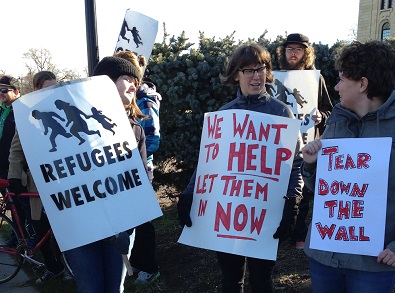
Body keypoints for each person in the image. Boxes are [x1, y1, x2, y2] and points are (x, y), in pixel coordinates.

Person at [177, 42, 303, 293]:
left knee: (261, 281)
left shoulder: (282, 113)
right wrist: (189, 194)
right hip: (228, 216)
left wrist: (294, 200)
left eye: (261, 69)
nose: (257, 76)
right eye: (249, 70)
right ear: (236, 75)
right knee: (231, 281)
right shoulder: (224, 115)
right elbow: (208, 162)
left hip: (264, 216)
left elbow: (295, 163)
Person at [301, 40, 395, 292]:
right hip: (324, 257)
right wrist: (310, 166)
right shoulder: (336, 122)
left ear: (363, 84)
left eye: (342, 79)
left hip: (372, 265)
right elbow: (325, 189)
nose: (336, 86)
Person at [64, 56, 148, 293]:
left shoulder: (135, 129)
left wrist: (128, 228)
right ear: (107, 82)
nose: (134, 85)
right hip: (81, 228)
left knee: (114, 289)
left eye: (136, 81)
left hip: (120, 227)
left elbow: (141, 182)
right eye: (127, 78)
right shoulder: (74, 125)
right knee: (90, 288)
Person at [7, 71, 69, 284]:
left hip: (66, 178)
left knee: (65, 226)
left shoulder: (63, 107)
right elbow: (16, 149)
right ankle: (53, 267)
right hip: (39, 181)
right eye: (45, 89)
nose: (50, 93)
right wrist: (14, 175)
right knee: (41, 226)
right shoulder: (26, 115)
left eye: (54, 87)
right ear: (35, 90)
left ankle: (70, 265)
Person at [276, 33, 334, 249]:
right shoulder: (274, 77)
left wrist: (321, 116)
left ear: (305, 53)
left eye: (298, 49)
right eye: (289, 49)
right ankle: (279, 230)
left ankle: (299, 234)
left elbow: (329, 109)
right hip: (280, 145)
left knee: (305, 191)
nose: (293, 53)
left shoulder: (315, 79)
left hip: (308, 144)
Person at [114, 50, 161, 284]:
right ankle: (132, 264)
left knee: (142, 221)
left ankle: (148, 267)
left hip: (141, 170)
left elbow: (152, 139)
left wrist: (136, 157)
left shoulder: (145, 99)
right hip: (123, 173)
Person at [0, 75, 34, 247]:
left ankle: (29, 237)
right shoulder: (3, 111)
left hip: (17, 167)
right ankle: (18, 236)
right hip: (2, 166)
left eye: (4, 90)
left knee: (24, 204)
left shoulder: (22, 110)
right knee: (13, 205)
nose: (1, 93)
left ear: (16, 91)